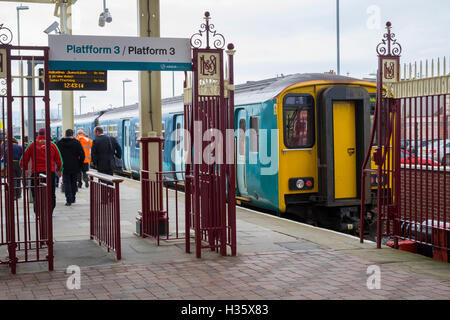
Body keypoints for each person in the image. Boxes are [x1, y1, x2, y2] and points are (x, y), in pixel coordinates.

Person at [20, 128, 62, 214]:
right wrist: (59, 170)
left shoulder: (32, 145)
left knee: (36, 192)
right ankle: (50, 211)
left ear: (38, 135)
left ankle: (38, 211)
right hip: (50, 172)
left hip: (36, 172)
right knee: (51, 192)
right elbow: (59, 159)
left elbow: (23, 159)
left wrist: (25, 169)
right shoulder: (52, 145)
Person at [57, 129, 85, 206]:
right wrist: (80, 164)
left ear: (65, 134)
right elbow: (82, 155)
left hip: (64, 166)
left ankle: (68, 199)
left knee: (66, 183)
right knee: (73, 182)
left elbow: (57, 155)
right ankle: (73, 198)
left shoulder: (59, 143)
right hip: (75, 166)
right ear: (73, 134)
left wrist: (59, 166)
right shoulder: (77, 143)